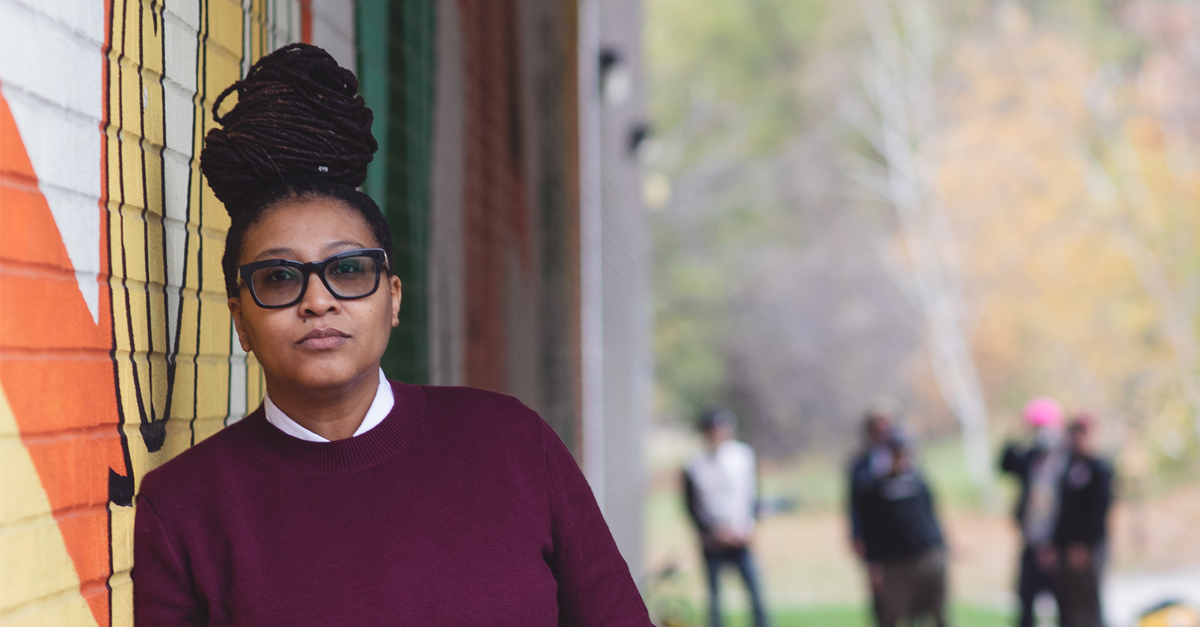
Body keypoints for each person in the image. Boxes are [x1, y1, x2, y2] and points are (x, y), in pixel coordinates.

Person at [131, 43, 651, 626]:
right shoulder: (183, 506)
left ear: (393, 298)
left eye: (348, 270)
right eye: (279, 278)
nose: (317, 300)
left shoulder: (511, 445)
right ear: (240, 320)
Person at [683, 408, 769, 627]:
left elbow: (752, 494)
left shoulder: (743, 456)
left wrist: (749, 526)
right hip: (713, 539)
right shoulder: (694, 464)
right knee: (714, 598)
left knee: (755, 594)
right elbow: (692, 505)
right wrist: (711, 531)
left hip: (741, 534)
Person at [855, 433, 948, 627]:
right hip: (896, 566)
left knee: (938, 615)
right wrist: (873, 565)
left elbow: (932, 517)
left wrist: (943, 547)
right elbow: (869, 529)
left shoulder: (918, 482)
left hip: (929, 558)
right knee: (892, 617)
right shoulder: (874, 490)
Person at [1000, 396, 1070, 627]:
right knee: (1026, 604)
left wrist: (1053, 542)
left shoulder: (1066, 460)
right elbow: (1005, 464)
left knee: (1065, 605)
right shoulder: (1031, 457)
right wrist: (1017, 435)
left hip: (1058, 545)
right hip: (1032, 541)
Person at [1053, 415, 1113, 627]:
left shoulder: (1099, 468)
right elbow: (1060, 509)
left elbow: (1099, 509)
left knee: (1088, 601)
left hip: (1089, 545)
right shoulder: (1064, 466)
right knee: (1067, 602)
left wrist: (1083, 544)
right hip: (1065, 545)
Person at [848, 408, 894, 620]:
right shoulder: (860, 464)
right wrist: (856, 536)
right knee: (880, 595)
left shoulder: (905, 458)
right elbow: (854, 503)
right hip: (874, 537)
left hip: (902, 537)